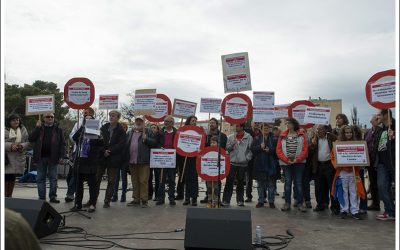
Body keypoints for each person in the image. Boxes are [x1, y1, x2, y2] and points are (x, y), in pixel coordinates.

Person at [330, 125, 365, 220]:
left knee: (354, 192)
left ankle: (355, 211)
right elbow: (332, 156)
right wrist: (336, 165)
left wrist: (361, 162)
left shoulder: (356, 143)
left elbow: (361, 156)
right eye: (346, 132)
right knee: (343, 192)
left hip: (354, 172)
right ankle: (344, 210)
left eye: (350, 132)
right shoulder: (337, 144)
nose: (348, 134)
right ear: (343, 133)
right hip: (342, 172)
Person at [29, 113, 65, 203]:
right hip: (40, 158)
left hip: (53, 158)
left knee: (53, 178)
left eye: (52, 117)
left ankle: (52, 197)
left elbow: (62, 144)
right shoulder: (39, 128)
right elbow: (31, 139)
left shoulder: (58, 129)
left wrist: (62, 156)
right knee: (40, 178)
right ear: (43, 118)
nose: (50, 118)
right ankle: (42, 198)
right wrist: (37, 128)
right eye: (47, 117)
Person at [70, 113, 103, 213]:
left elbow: (101, 144)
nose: (88, 122)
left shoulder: (96, 132)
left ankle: (93, 204)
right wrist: (82, 127)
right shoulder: (81, 132)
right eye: (86, 120)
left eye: (90, 120)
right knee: (78, 185)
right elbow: (74, 138)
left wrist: (99, 135)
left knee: (92, 185)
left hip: (91, 162)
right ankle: (78, 204)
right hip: (80, 161)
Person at [95, 110, 126, 208]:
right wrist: (103, 151)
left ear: (118, 118)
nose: (111, 117)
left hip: (114, 158)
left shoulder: (121, 130)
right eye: (110, 115)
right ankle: (93, 200)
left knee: (111, 181)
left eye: (113, 116)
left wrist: (110, 151)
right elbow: (98, 141)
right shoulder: (103, 128)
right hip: (102, 157)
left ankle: (107, 200)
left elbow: (121, 144)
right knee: (96, 179)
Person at [276, 118, 308, 212]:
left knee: (298, 183)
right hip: (286, 163)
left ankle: (300, 203)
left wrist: (297, 159)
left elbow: (305, 150)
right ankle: (287, 203)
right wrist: (286, 160)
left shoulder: (302, 135)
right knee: (287, 183)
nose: (287, 124)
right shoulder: (282, 135)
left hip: (299, 163)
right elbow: (278, 150)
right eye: (286, 123)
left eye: (289, 123)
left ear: (294, 124)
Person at [126, 117, 157, 208]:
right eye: (137, 120)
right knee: (134, 181)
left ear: (144, 122)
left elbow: (154, 143)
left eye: (140, 121)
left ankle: (144, 200)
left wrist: (146, 138)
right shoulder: (130, 132)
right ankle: (136, 199)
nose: (138, 122)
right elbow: (126, 144)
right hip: (132, 160)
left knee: (143, 181)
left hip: (144, 161)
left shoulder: (148, 131)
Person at [65, 108, 95, 203]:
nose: (84, 115)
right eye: (83, 113)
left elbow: (97, 137)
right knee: (72, 175)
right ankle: (74, 197)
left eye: (86, 113)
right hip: (78, 152)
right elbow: (72, 136)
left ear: (91, 113)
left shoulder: (97, 123)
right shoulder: (78, 123)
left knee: (89, 180)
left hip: (90, 155)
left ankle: (91, 201)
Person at [222, 123, 253, 207]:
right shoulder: (230, 137)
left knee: (240, 182)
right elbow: (226, 149)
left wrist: (246, 158)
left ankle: (240, 200)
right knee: (229, 181)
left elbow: (251, 150)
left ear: (242, 127)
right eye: (235, 126)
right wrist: (231, 146)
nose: (236, 127)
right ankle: (226, 200)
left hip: (242, 164)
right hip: (232, 163)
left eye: (238, 126)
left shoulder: (249, 137)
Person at [309, 125, 338, 213]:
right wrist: (312, 144)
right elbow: (310, 152)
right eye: (317, 129)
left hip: (329, 165)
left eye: (320, 129)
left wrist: (331, 135)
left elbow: (338, 142)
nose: (318, 131)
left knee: (332, 186)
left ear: (325, 130)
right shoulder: (314, 139)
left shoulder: (331, 137)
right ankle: (320, 205)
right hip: (318, 165)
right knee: (319, 187)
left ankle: (334, 206)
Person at [199, 118, 228, 205]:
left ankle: (217, 198)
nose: (211, 124)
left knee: (217, 182)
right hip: (208, 162)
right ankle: (208, 197)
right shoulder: (206, 135)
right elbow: (203, 147)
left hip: (218, 162)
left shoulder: (222, 136)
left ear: (217, 124)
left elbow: (224, 148)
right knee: (208, 180)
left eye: (213, 123)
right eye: (210, 123)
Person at [374, 109, 395, 221]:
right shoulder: (381, 129)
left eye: (379, 114)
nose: (377, 116)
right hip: (382, 163)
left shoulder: (395, 125)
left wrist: (395, 136)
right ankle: (390, 211)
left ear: (386, 114)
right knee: (382, 187)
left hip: (394, 162)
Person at [250, 123, 277, 208]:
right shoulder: (257, 138)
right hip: (260, 164)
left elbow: (277, 151)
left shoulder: (274, 138)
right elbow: (252, 149)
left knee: (271, 185)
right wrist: (259, 147)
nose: (266, 129)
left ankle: (271, 201)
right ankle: (261, 200)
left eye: (267, 128)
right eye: (264, 128)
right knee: (260, 185)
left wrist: (270, 150)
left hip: (270, 165)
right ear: (261, 129)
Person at [5, 114, 30, 197]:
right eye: (14, 120)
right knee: (6, 176)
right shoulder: (4, 129)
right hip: (6, 157)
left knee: (12, 177)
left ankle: (9, 196)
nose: (16, 121)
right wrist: (11, 146)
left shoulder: (23, 129)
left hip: (17, 157)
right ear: (9, 122)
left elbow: (27, 141)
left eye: (17, 120)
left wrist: (22, 146)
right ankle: (4, 197)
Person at [155, 116, 177, 205]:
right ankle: (161, 198)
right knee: (161, 180)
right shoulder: (159, 133)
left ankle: (171, 198)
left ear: (172, 123)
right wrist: (159, 147)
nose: (166, 122)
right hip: (162, 159)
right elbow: (155, 143)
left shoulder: (177, 133)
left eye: (168, 121)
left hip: (172, 159)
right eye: (165, 121)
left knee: (172, 180)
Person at [182, 115, 201, 206]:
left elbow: (202, 143)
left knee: (194, 179)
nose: (194, 122)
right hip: (185, 157)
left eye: (195, 121)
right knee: (187, 178)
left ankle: (194, 198)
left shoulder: (199, 132)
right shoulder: (184, 130)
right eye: (192, 120)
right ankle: (187, 197)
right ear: (188, 121)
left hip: (195, 158)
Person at [364, 114, 380, 211]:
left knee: (382, 184)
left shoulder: (383, 131)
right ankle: (375, 203)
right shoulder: (368, 132)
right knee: (373, 183)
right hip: (370, 161)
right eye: (376, 118)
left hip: (379, 161)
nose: (378, 120)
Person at [111, 121, 129, 202]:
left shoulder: (128, 136)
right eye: (121, 127)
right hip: (117, 160)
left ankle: (123, 195)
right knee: (116, 179)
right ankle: (115, 195)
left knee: (124, 179)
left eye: (124, 127)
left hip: (125, 160)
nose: (123, 129)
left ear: (126, 129)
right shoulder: (116, 137)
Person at [244, 122, 262, 202]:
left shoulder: (262, 133)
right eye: (255, 123)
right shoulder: (246, 131)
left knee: (261, 178)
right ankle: (248, 196)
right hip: (249, 159)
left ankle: (262, 196)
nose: (257, 124)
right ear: (251, 124)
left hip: (259, 158)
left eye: (258, 123)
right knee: (249, 178)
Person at [148, 123, 160, 201]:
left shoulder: (160, 136)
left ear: (157, 129)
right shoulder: (147, 136)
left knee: (157, 178)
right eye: (151, 127)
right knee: (149, 177)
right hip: (149, 159)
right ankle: (149, 194)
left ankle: (157, 195)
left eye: (154, 127)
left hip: (157, 159)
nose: (153, 128)